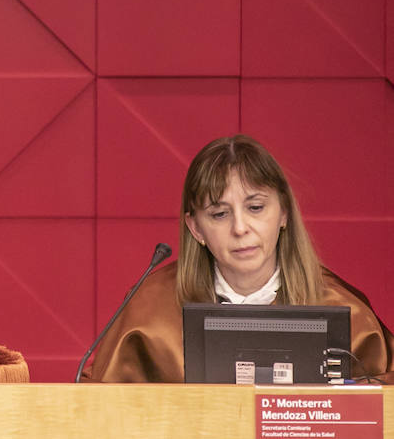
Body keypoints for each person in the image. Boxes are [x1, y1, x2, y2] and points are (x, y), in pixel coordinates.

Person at [82, 135, 392, 383]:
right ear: (196, 228)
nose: (240, 228)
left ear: (283, 213)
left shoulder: (342, 309)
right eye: (219, 214)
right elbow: (95, 407)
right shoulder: (148, 311)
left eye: (255, 208)